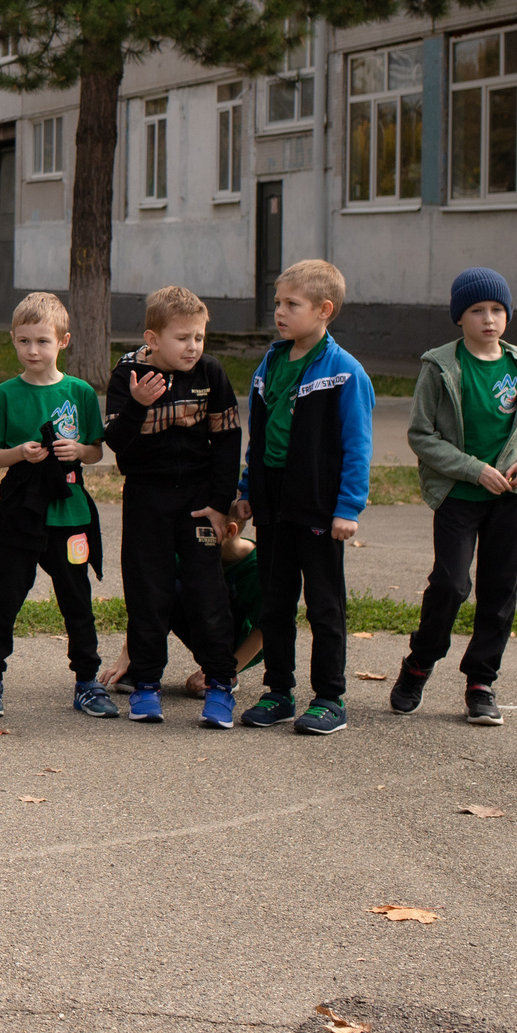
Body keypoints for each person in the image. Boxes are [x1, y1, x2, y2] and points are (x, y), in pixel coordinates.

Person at [396, 267, 517, 727]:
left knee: (499, 590)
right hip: (460, 496)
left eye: (497, 310)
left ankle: (481, 682)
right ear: (459, 318)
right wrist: (473, 469)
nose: (489, 319)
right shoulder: (440, 366)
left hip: (509, 497)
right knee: (450, 583)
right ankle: (419, 664)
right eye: (477, 310)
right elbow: (421, 435)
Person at [232, 258, 374, 735]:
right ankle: (278, 692)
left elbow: (357, 445)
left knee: (324, 605)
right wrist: (249, 491)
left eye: (292, 304)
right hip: (273, 506)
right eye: (277, 303)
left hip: (318, 508)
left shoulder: (344, 372)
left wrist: (348, 506)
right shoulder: (271, 362)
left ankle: (329, 697)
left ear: (324, 310)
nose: (280, 312)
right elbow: (261, 434)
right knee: (275, 602)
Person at [103, 284, 246, 727]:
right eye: (183, 338)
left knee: (208, 593)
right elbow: (116, 444)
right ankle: (146, 685)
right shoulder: (127, 375)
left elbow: (226, 441)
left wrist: (221, 504)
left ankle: (220, 684)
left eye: (199, 337)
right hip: (147, 496)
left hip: (199, 501)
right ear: (153, 339)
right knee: (149, 591)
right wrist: (138, 407)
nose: (193, 347)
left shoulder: (211, 373)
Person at [0, 291, 107, 721]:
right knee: (5, 596)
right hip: (20, 513)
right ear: (13, 339)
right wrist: (19, 454)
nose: (33, 350)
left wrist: (78, 449)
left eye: (43, 341)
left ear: (63, 341)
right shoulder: (6, 395)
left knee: (76, 599)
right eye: (24, 341)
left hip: (70, 515)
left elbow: (98, 451)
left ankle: (87, 681)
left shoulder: (80, 392)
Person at [106, 520, 265, 696]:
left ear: (229, 530)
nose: (196, 536)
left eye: (204, 532)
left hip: (238, 641)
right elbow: (151, 598)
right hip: (205, 624)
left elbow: (262, 630)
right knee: (163, 583)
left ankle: (222, 675)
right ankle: (141, 662)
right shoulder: (193, 550)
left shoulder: (258, 568)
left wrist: (228, 670)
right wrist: (129, 654)